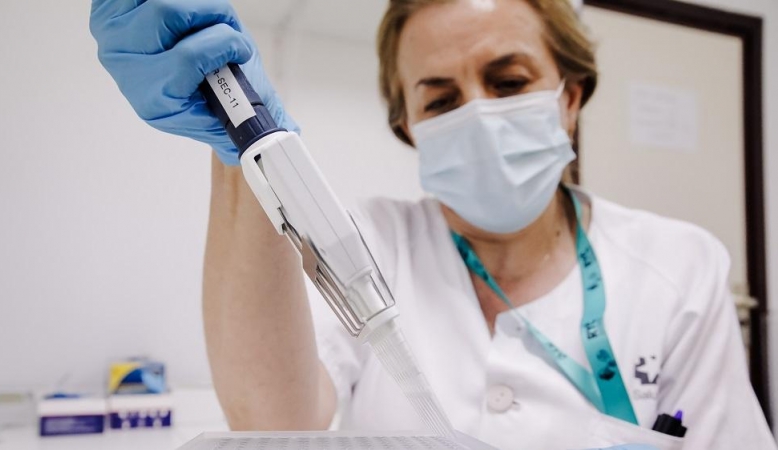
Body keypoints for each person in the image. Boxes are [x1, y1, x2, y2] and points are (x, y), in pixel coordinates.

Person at [89, 0, 776, 448]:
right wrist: (237, 149)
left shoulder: (680, 264)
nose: (477, 113)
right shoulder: (369, 242)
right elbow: (274, 422)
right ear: (408, 126)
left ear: (569, 97)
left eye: (508, 83)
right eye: (440, 98)